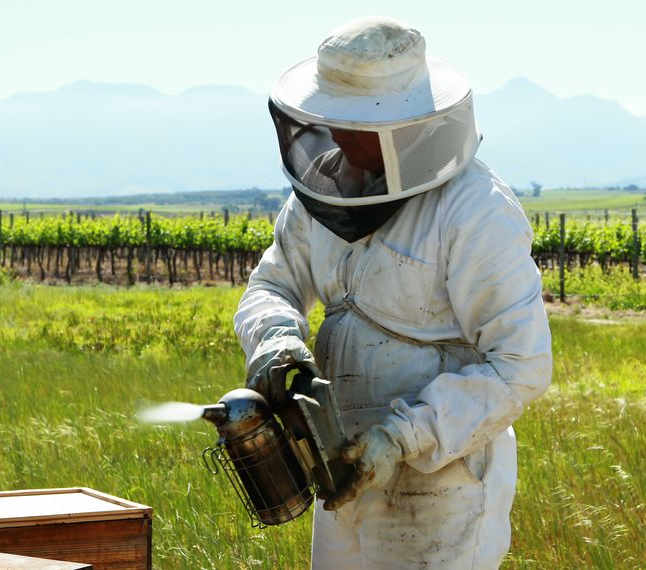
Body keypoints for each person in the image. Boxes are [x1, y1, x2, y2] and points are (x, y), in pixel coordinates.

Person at [234, 16, 552, 569]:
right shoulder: (324, 190)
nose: (337, 137)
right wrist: (275, 338)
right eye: (331, 119)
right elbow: (273, 284)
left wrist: (403, 438)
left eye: (355, 125)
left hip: (440, 491)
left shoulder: (475, 209)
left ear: (405, 126)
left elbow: (520, 366)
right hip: (340, 476)